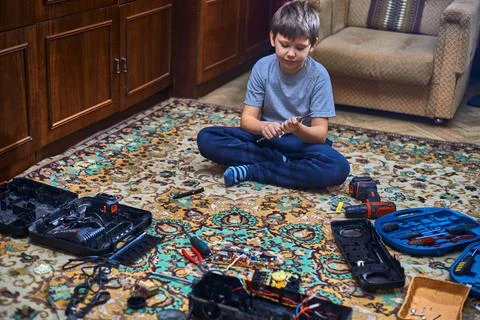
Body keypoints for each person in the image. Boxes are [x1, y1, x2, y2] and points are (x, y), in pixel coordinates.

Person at [196, 0, 350, 189]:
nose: (291, 54)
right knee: (207, 138)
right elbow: (247, 120)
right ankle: (281, 164)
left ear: (312, 44)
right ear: (272, 38)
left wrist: (298, 130)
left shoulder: (319, 76)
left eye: (300, 48)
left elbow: (319, 134)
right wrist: (264, 126)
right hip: (265, 140)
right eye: (284, 45)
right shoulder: (262, 68)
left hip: (300, 144)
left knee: (338, 167)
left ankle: (253, 171)